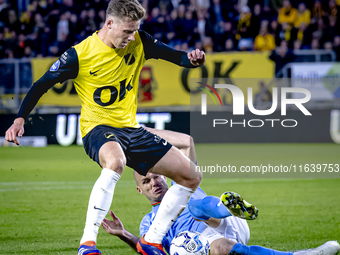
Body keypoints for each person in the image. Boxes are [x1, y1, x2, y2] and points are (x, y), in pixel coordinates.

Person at [4, 0, 206, 254]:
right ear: (109, 23)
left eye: (134, 31)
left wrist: (193, 60)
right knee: (115, 162)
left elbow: (177, 57)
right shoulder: (80, 54)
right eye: (127, 31)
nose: (131, 37)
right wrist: (20, 118)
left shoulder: (140, 41)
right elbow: (41, 84)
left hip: (132, 129)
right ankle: (87, 243)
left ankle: (151, 240)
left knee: (192, 176)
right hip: (97, 128)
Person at [102, 170, 340, 255]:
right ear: (139, 190)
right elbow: (151, 250)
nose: (154, 183)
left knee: (194, 205)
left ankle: (227, 206)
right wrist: (124, 234)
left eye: (156, 176)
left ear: (165, 175)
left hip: (223, 222)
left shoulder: (181, 187)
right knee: (218, 248)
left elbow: (187, 143)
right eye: (147, 182)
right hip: (206, 244)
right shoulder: (147, 222)